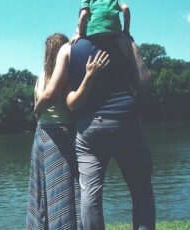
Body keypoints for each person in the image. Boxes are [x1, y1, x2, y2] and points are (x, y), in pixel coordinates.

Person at [34, 33, 155, 230]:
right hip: (128, 121)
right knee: (141, 190)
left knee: (90, 195)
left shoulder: (69, 49)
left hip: (90, 128)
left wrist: (37, 110)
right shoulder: (124, 41)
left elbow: (70, 104)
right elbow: (146, 83)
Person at [27, 33, 109, 230]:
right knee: (62, 190)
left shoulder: (40, 75)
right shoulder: (66, 76)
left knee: (44, 191)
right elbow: (64, 101)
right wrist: (89, 76)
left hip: (41, 136)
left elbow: (41, 100)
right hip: (61, 135)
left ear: (46, 53)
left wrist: (36, 112)